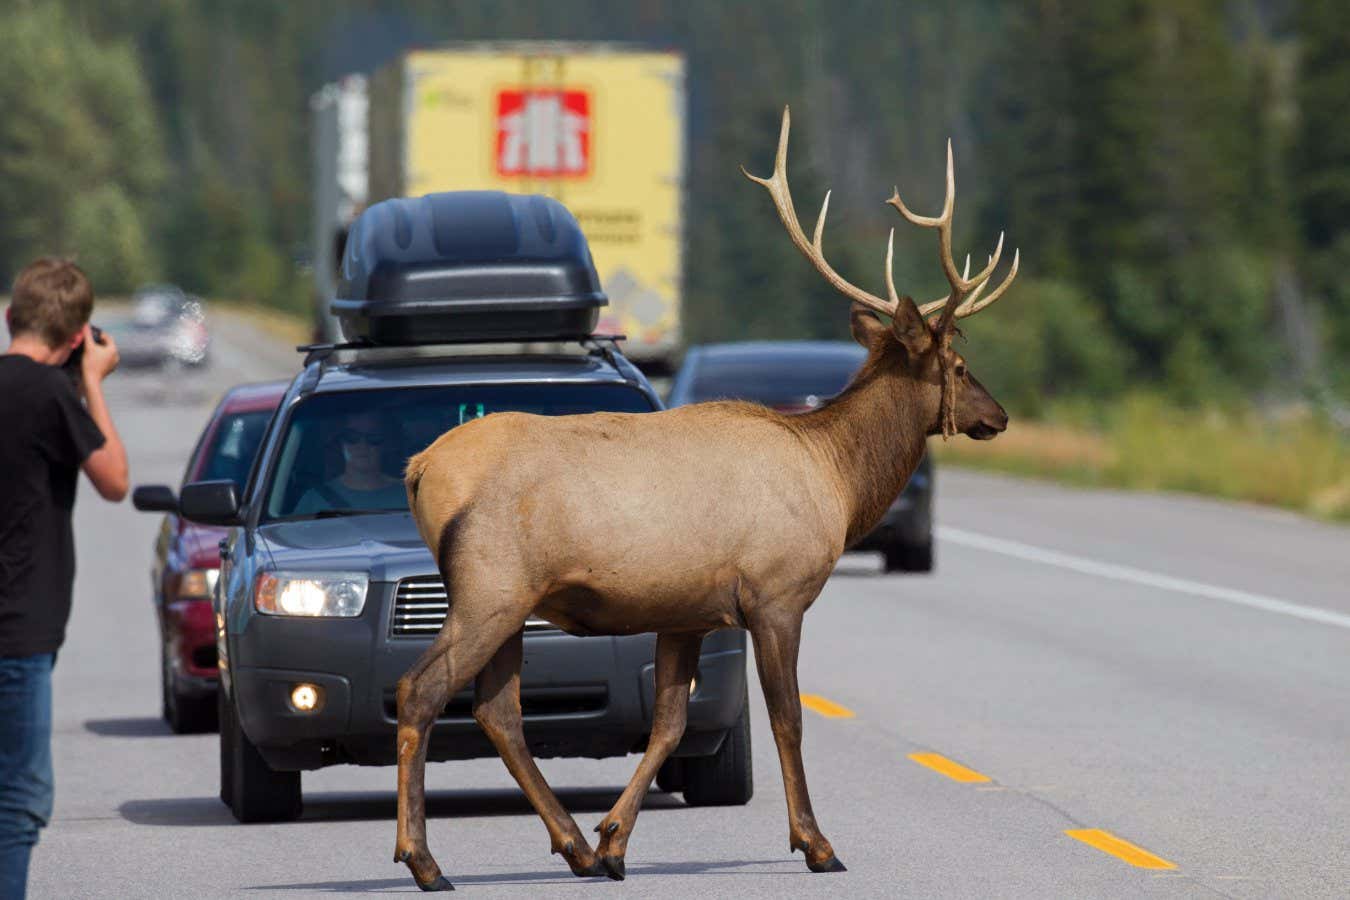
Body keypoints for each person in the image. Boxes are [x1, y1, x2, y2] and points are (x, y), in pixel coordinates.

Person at [0, 259, 128, 900]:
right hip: (19, 632)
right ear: (77, 337)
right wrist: (93, 383)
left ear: (8, 317)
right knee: (18, 800)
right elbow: (113, 480)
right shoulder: (51, 394)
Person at [292, 410, 405, 515]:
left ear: (386, 444)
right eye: (352, 437)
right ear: (341, 442)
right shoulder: (313, 500)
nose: (362, 445)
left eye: (373, 438)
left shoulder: (410, 497)